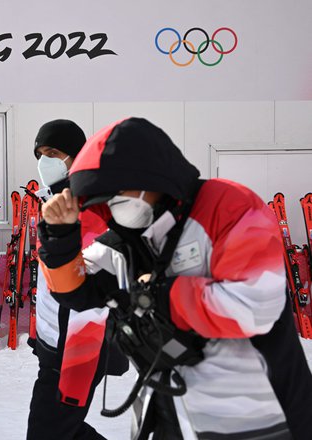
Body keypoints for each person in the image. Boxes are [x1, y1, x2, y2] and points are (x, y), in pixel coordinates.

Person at [38, 117, 312, 439]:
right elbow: (77, 292)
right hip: (172, 410)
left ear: (149, 176)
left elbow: (254, 306)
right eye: (104, 199)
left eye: (117, 193)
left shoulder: (230, 207)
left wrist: (156, 298)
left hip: (259, 416)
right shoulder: (125, 239)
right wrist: (61, 237)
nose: (114, 206)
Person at [27, 119, 127, 440]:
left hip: (74, 349)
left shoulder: (90, 207)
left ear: (76, 155)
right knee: (61, 431)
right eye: (40, 154)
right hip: (55, 343)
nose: (45, 162)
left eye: (53, 152)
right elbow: (51, 280)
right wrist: (39, 335)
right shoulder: (57, 202)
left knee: (50, 433)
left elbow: (89, 280)